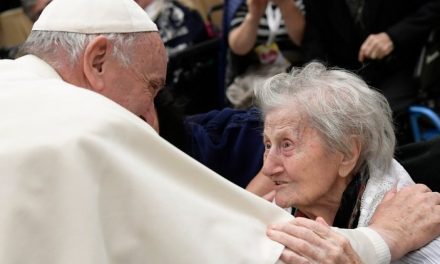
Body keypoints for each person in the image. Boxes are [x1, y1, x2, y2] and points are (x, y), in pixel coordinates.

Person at [0, 0, 439, 263]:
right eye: (151, 88)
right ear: (97, 61)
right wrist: (384, 239)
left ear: (349, 153)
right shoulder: (86, 126)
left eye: (286, 145)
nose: (152, 121)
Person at [253, 61, 440, 262]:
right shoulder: (278, 210)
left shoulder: (414, 222)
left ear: (347, 154)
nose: (268, 168)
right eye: (268, 145)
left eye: (287, 144)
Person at [301, 0, 440, 144]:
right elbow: (314, 40)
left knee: (371, 119)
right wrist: (316, 78)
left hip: (404, 65)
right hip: (346, 75)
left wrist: (393, 37)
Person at [226, 0, 305, 108]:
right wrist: (254, 14)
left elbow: (305, 40)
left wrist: (285, 5)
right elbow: (238, 48)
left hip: (297, 70)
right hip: (259, 72)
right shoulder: (247, 4)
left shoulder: (303, 3)